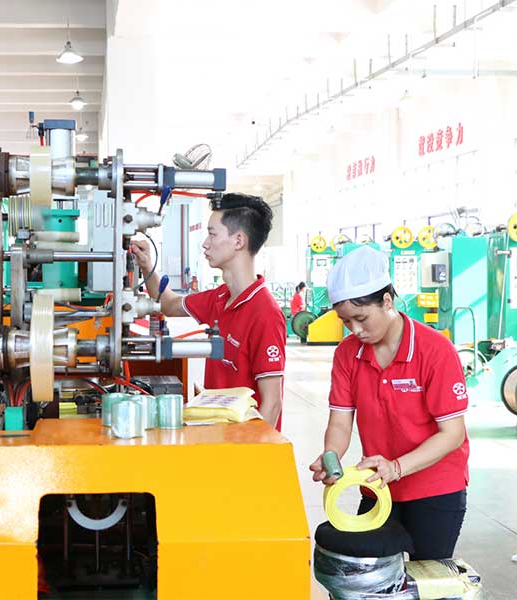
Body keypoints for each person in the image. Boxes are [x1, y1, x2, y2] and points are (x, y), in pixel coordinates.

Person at [308, 246, 469, 560]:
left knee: (426, 576)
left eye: (361, 318)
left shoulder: (435, 351)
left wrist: (397, 468)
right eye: (345, 321)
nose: (355, 330)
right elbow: (340, 422)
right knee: (370, 572)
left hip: (435, 489)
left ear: (386, 301)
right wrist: (331, 456)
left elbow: (452, 434)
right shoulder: (347, 354)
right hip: (377, 485)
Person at [130, 193, 285, 430]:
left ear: (238, 241)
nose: (205, 243)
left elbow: (272, 404)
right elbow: (168, 304)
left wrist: (254, 449)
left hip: (243, 445)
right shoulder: (219, 298)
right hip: (217, 438)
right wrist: (147, 265)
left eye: (212, 234)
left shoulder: (265, 313)